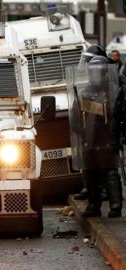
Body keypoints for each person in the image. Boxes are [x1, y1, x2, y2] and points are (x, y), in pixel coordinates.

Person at [68, 55, 122, 218]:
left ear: (106, 73)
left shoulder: (114, 91)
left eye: (99, 72)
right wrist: (80, 131)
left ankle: (115, 205)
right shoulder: (85, 93)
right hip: (90, 140)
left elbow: (117, 115)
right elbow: (76, 117)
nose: (96, 75)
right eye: (93, 72)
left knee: (110, 172)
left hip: (107, 138)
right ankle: (94, 205)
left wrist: (117, 137)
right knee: (90, 172)